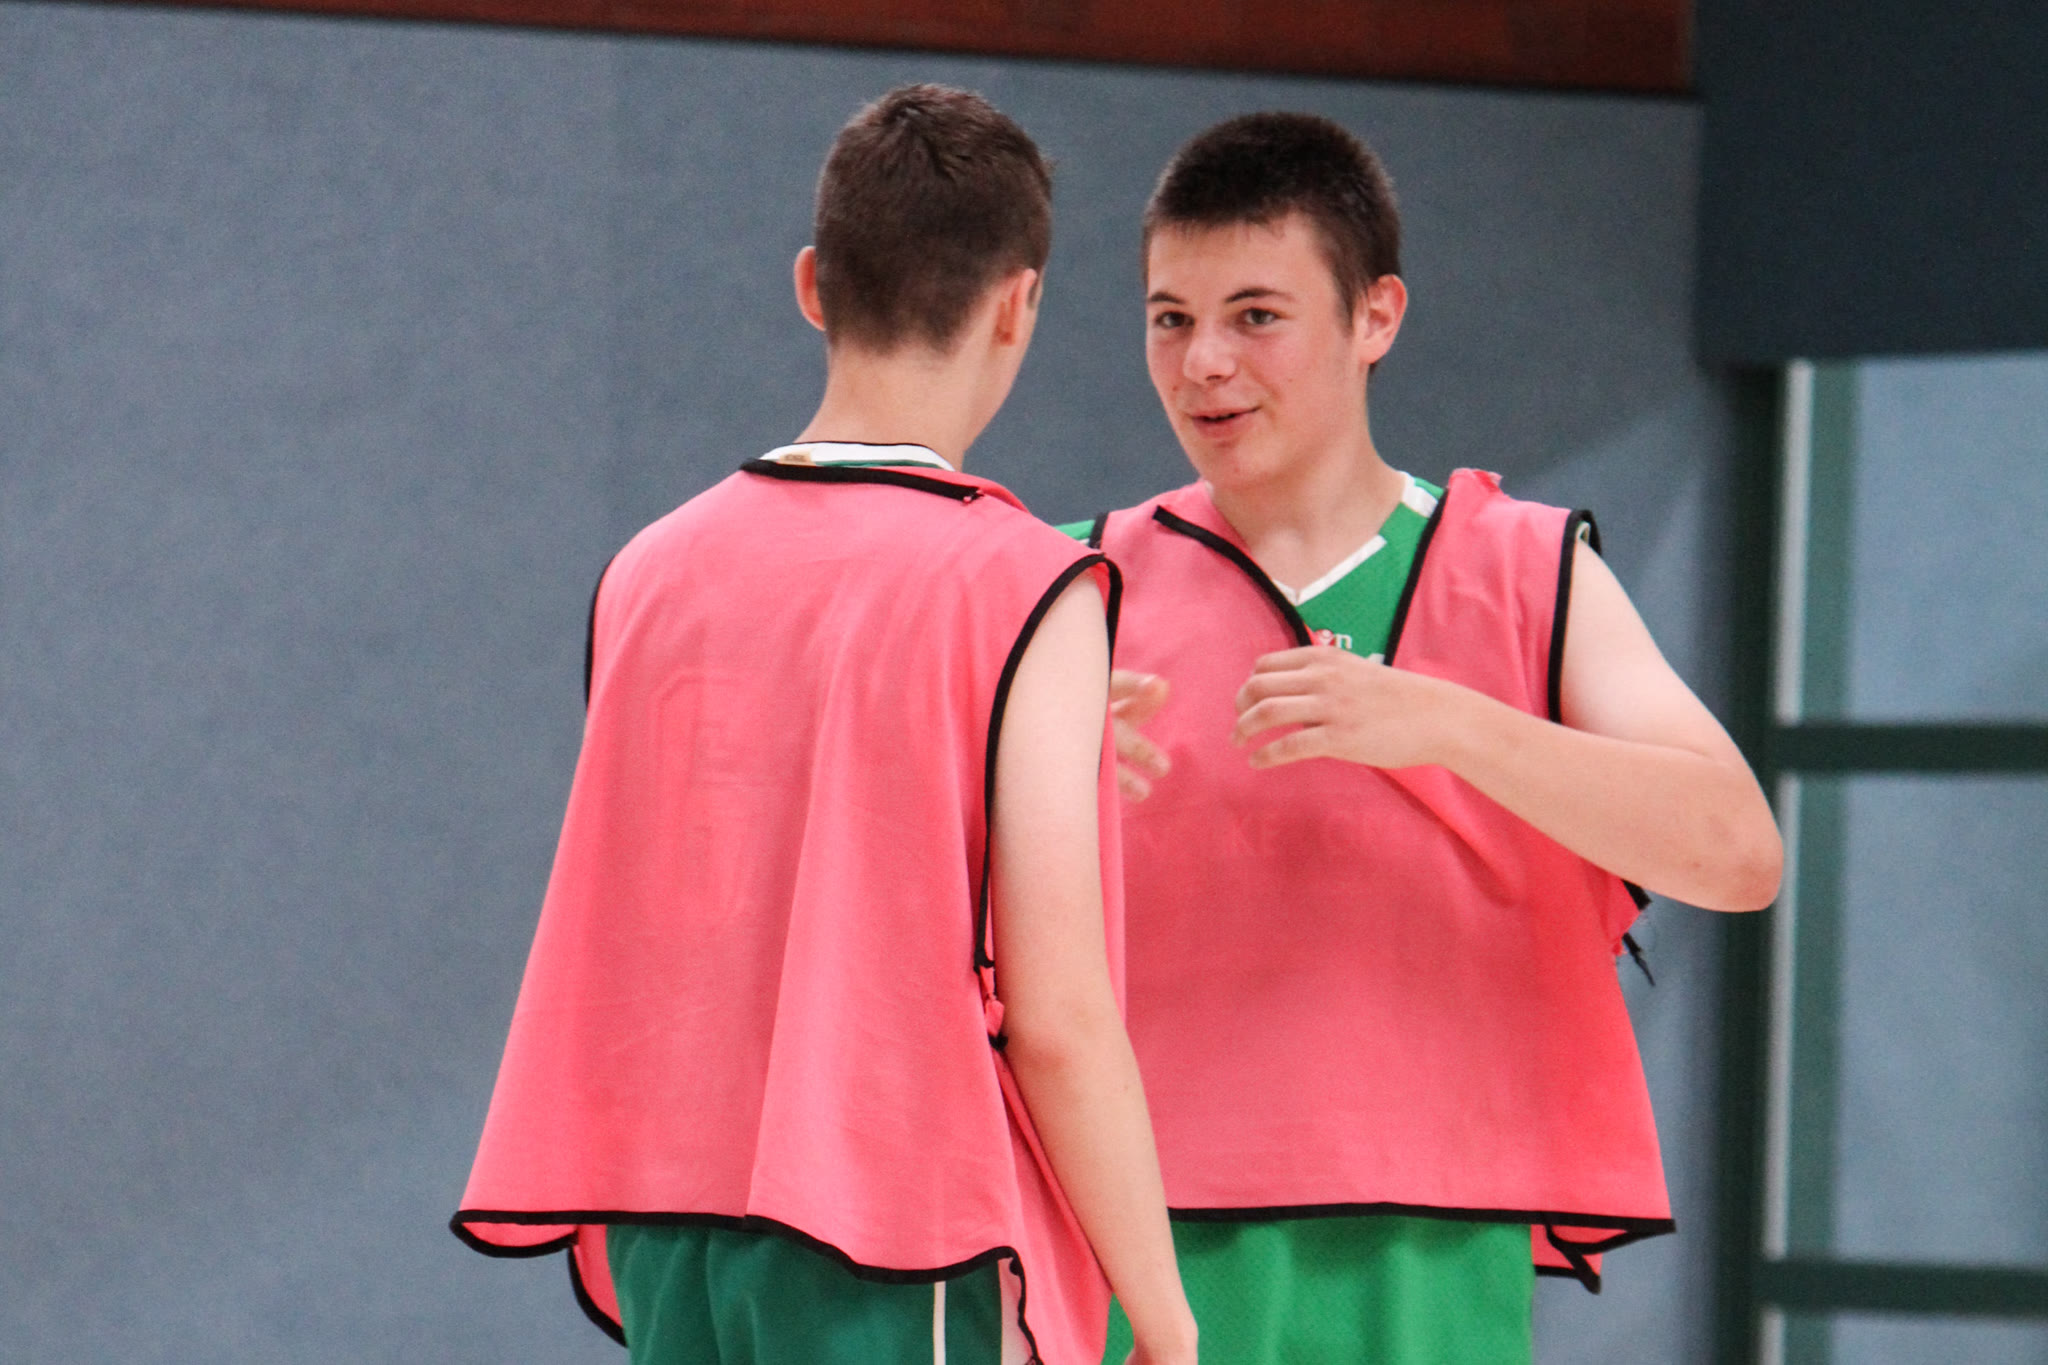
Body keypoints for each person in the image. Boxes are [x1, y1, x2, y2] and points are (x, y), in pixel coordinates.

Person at [452, 85, 1196, 1365]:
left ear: (811, 283)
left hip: (673, 1230)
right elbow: (1059, 1017)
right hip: (898, 1241)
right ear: (1017, 304)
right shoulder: (1025, 583)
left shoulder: (647, 571)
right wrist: (1166, 1319)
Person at [1067, 113, 1783, 1363]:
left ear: (1375, 316)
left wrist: (1445, 722)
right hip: (1134, 1238)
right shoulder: (1075, 582)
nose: (1203, 363)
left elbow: (1735, 853)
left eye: (1254, 315)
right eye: (1169, 319)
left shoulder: (1526, 567)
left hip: (1428, 1239)